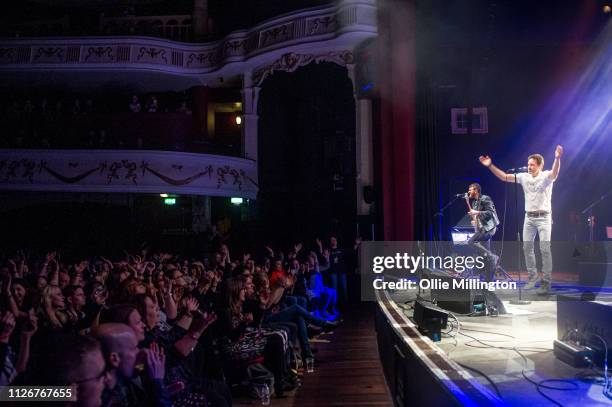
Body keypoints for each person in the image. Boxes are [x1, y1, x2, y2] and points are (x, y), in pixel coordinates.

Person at [479, 145, 563, 294]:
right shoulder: (524, 177)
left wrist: (557, 158)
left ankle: (546, 282)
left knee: (544, 249)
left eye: (532, 164)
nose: (529, 167)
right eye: (528, 164)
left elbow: (555, 172)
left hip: (544, 217)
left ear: (539, 165)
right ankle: (532, 277)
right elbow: (505, 177)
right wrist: (490, 165)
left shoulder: (546, 176)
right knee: (527, 248)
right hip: (529, 218)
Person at [465, 183, 500, 281]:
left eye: (470, 189)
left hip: (489, 228)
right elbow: (476, 217)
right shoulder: (474, 203)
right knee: (485, 257)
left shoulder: (485, 198)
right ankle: (488, 280)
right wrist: (474, 220)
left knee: (470, 241)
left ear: (476, 190)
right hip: (482, 229)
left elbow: (490, 213)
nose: (469, 191)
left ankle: (492, 256)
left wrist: (477, 212)